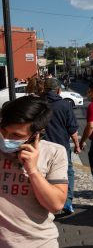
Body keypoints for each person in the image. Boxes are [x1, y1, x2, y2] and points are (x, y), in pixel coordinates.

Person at [0, 96, 68, 247]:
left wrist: (33, 170)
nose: (6, 138)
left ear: (36, 134)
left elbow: (56, 204)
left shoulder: (54, 153)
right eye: (3, 130)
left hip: (38, 243)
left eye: (16, 135)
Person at [41, 78, 81, 216]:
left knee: (43, 173)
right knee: (67, 171)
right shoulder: (64, 105)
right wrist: (77, 145)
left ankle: (46, 202)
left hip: (41, 146)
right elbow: (72, 128)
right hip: (61, 146)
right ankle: (67, 202)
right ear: (58, 90)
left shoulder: (38, 103)